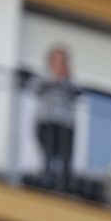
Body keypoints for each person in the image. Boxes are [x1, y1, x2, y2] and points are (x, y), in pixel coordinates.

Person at [28, 44, 81, 189]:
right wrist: (55, 79)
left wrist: (66, 79)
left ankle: (64, 186)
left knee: (65, 156)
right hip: (47, 122)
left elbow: (78, 92)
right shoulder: (44, 78)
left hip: (65, 124)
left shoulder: (70, 82)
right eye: (58, 61)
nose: (61, 64)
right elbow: (35, 88)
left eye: (63, 61)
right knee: (48, 154)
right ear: (51, 62)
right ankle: (46, 180)